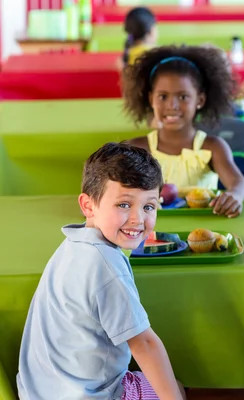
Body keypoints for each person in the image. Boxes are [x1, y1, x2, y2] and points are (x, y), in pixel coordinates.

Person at [17, 142, 186, 400]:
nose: (138, 219)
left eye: (148, 206)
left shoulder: (73, 242)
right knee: (176, 388)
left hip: (39, 391)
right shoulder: (106, 266)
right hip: (89, 395)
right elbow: (145, 344)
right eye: (123, 205)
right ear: (88, 205)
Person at [123, 45, 244, 218]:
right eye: (163, 96)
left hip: (202, 233)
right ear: (150, 98)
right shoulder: (138, 148)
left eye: (183, 97)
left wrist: (235, 194)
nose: (172, 105)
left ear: (200, 99)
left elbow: (240, 182)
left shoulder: (213, 147)